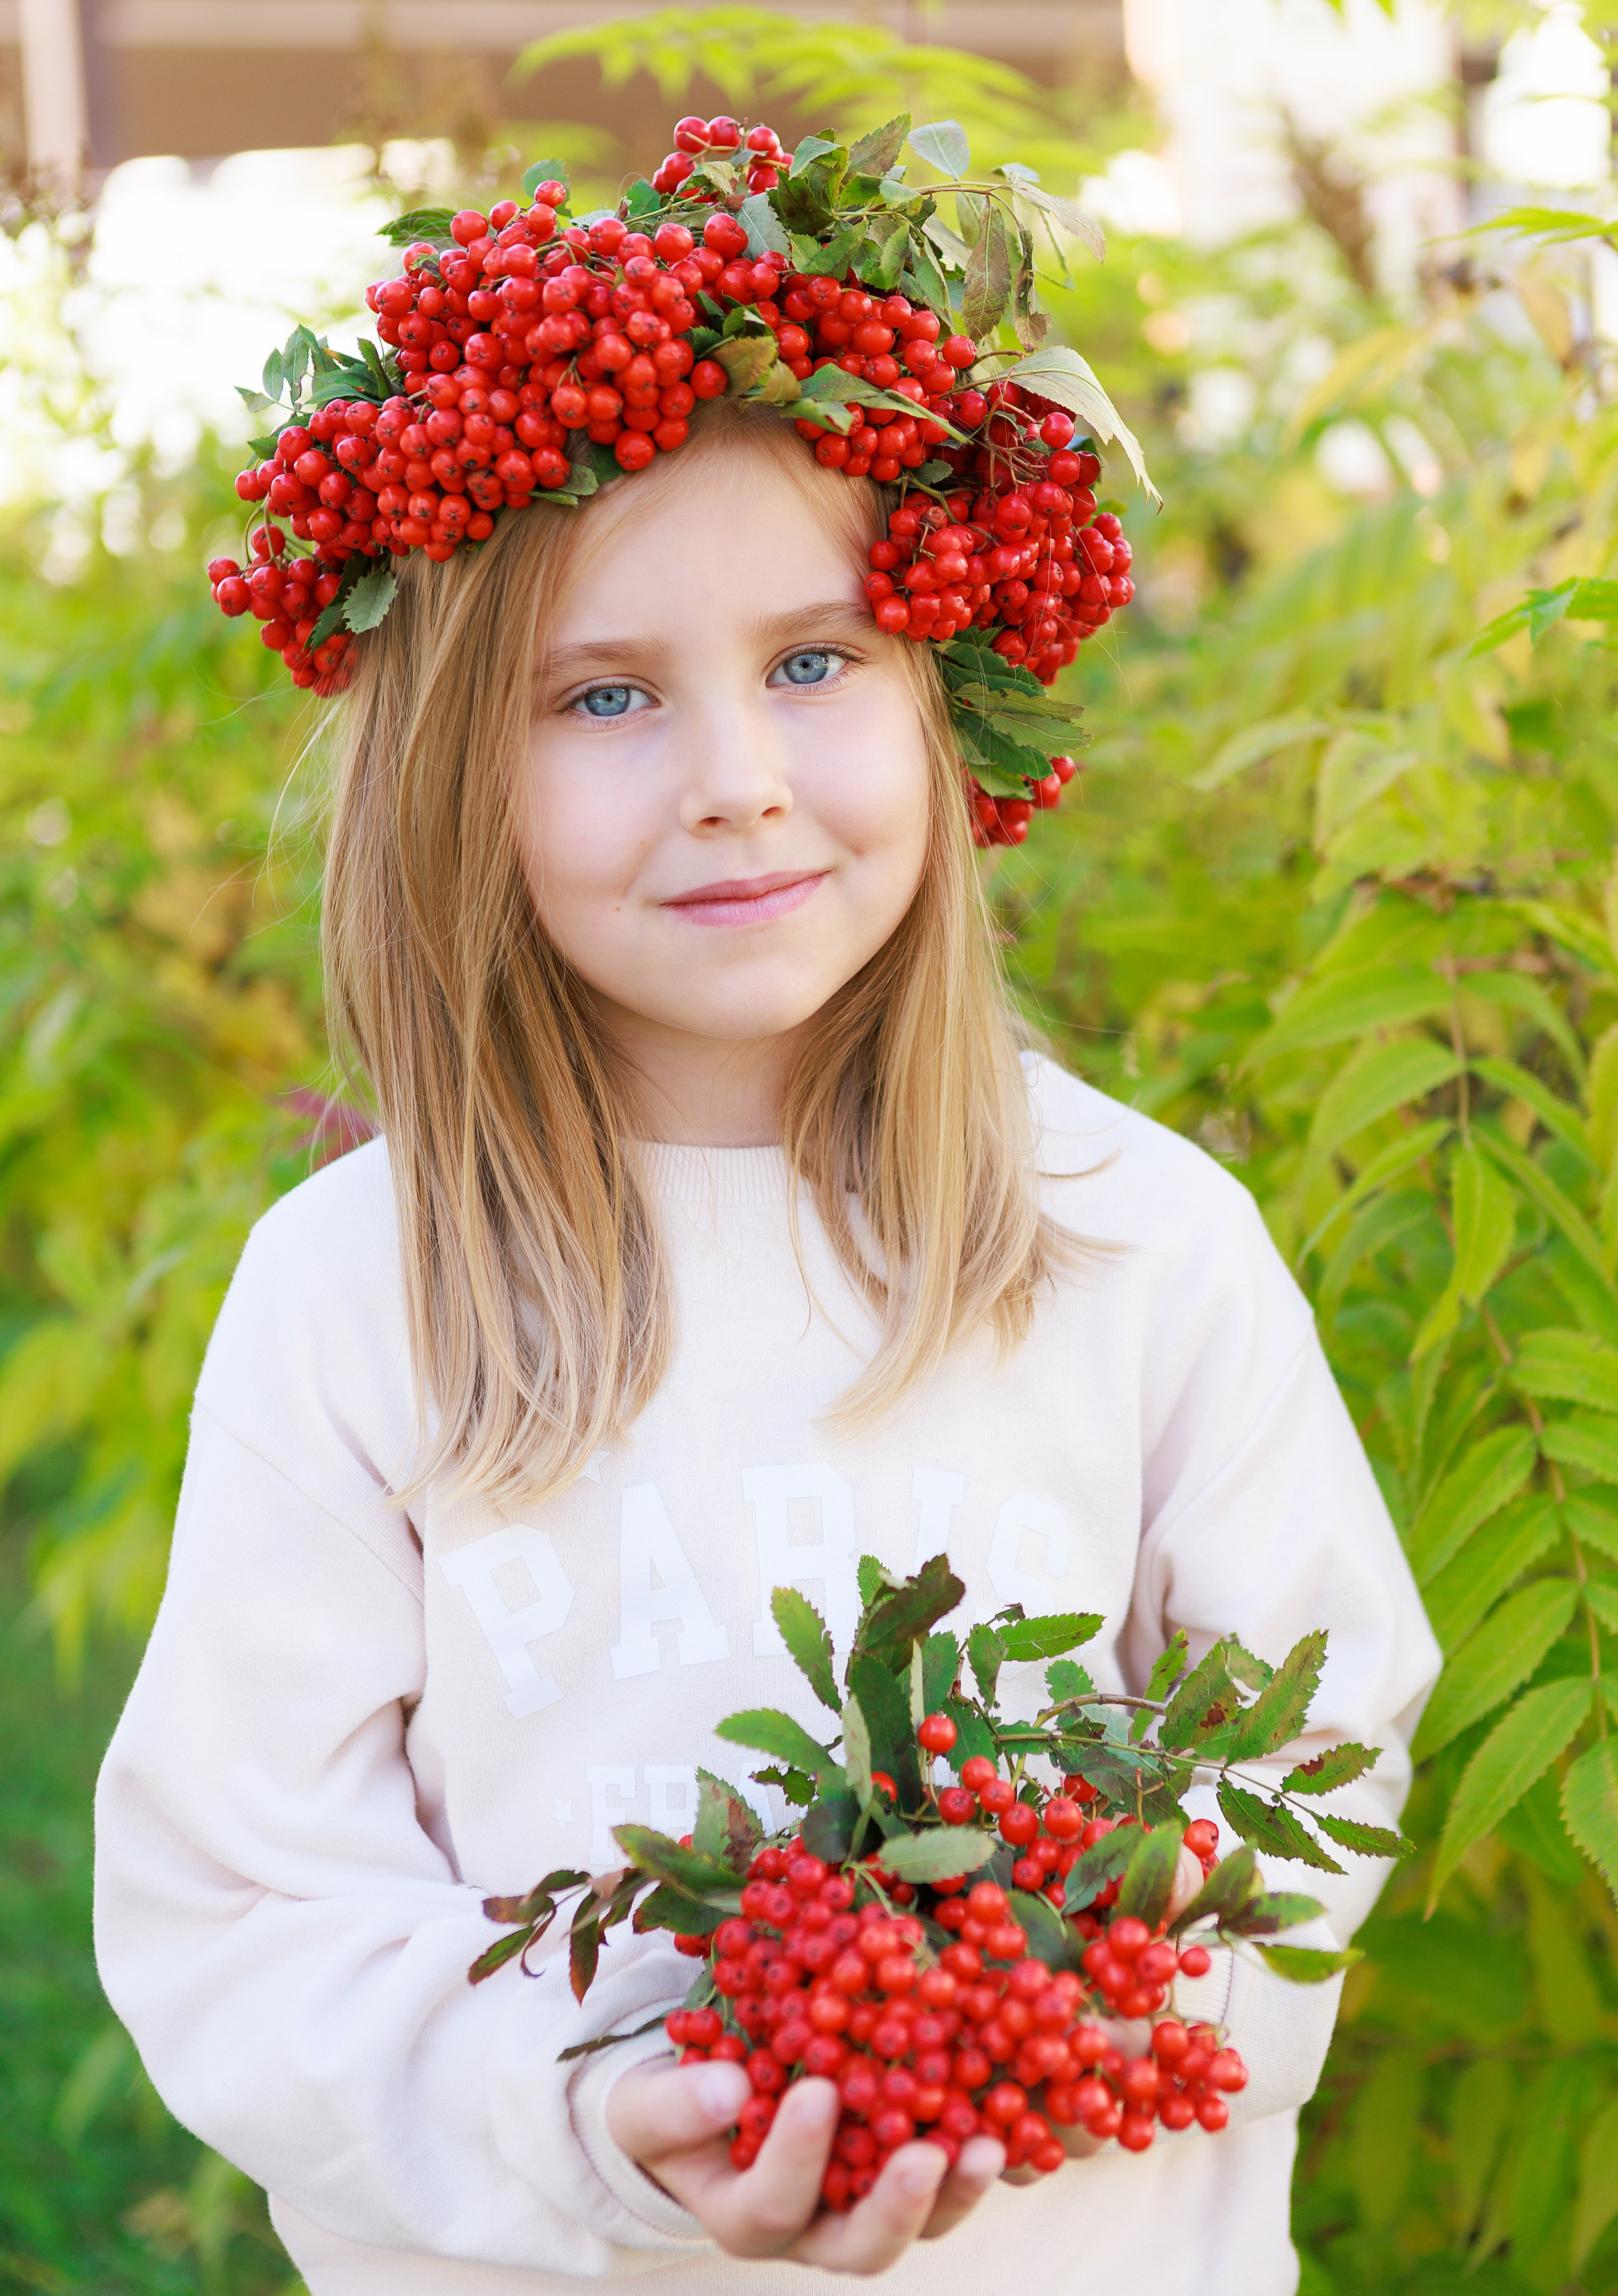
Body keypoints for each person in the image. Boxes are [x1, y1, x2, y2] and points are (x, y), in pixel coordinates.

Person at [94, 124, 1440, 2296]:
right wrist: (601, 2125)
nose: (733, 770)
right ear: (456, 776)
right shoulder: (359, 1302)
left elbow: (1318, 1743)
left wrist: (1078, 2022)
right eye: (605, 695)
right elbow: (248, 1913)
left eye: (814, 662)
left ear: (940, 690)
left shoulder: (1137, 1241)